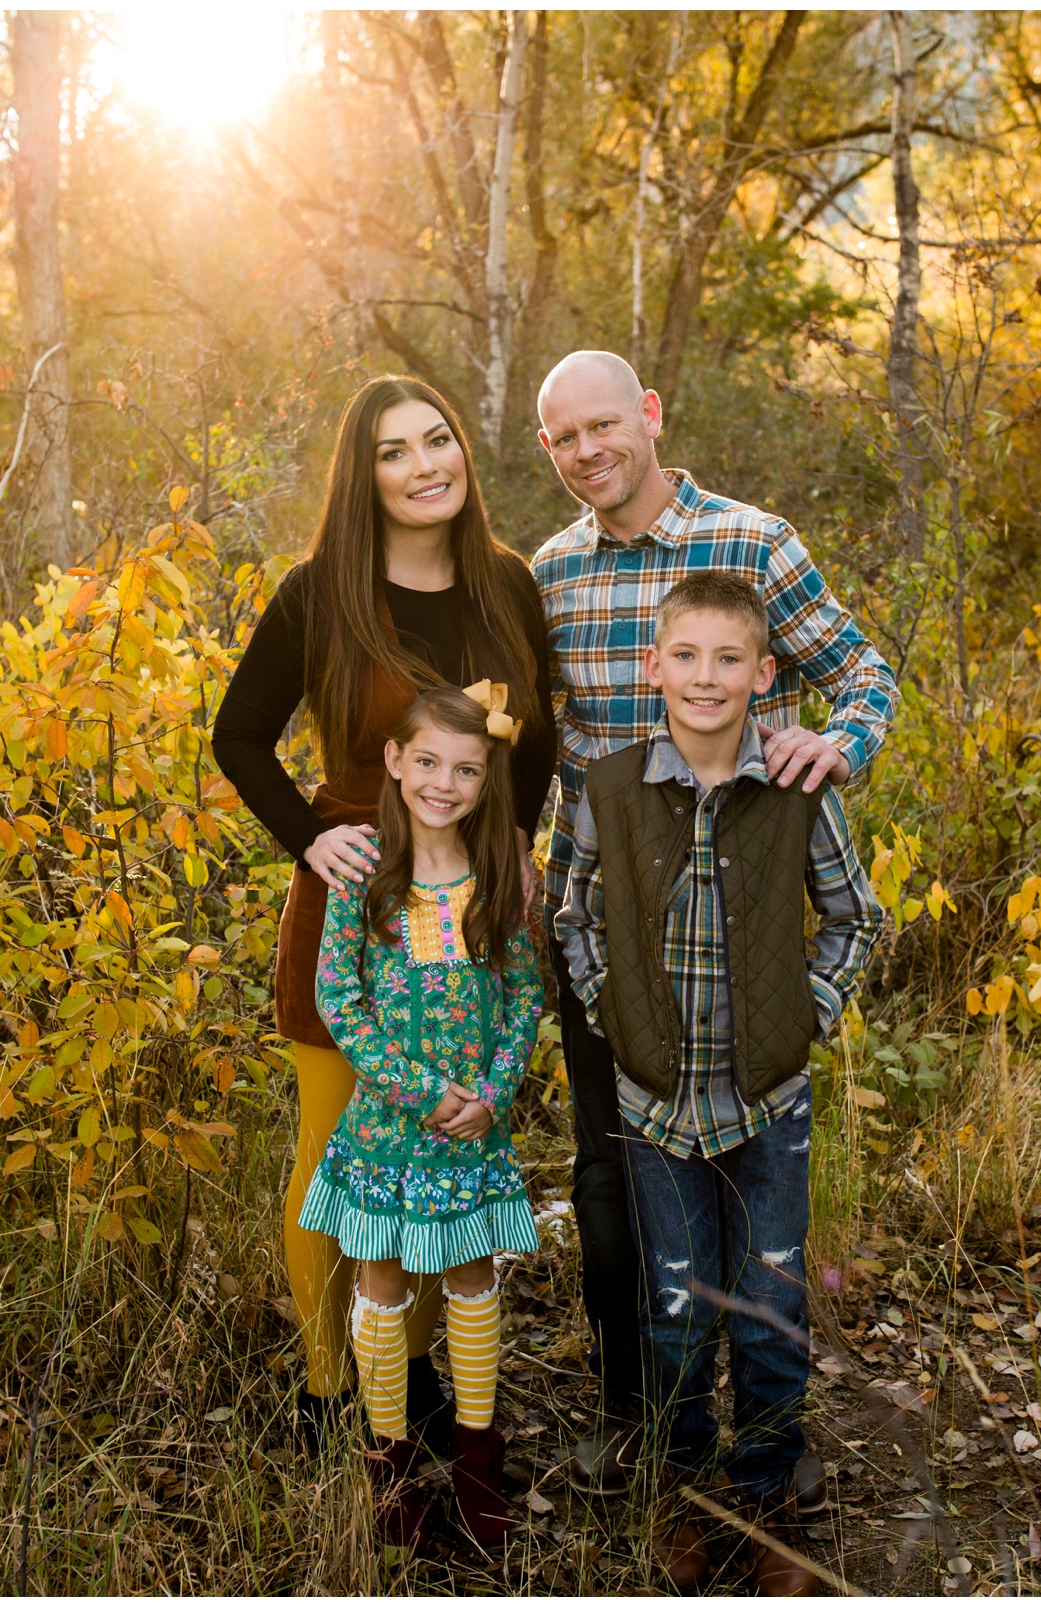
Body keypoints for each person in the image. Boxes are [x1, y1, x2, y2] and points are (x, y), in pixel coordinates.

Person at [530, 350, 897, 1498]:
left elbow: (863, 670)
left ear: (648, 413)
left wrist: (839, 744)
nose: (588, 452)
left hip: (745, 937)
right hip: (608, 921)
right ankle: (642, 1418)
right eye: (563, 439)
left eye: (604, 426)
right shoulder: (550, 572)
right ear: (548, 452)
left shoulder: (753, 541)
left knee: (756, 1209)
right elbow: (524, 735)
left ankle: (767, 1447)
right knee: (610, 1181)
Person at [211, 376, 556, 1454]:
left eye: (438, 441)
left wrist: (518, 845)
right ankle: (329, 1390)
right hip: (356, 904)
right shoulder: (321, 591)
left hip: (474, 908)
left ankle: (413, 1384)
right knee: (339, 1156)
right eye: (394, 452)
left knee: (445, 1138)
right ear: (364, 476)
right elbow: (239, 736)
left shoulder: (506, 581)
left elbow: (534, 743)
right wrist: (310, 837)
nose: (424, 466)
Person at [556, 572, 882, 1594]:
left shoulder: (796, 791)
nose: (705, 677)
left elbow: (855, 918)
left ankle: (771, 1479)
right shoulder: (607, 789)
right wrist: (617, 1015)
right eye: (685, 656)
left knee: (770, 1295)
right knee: (676, 1307)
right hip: (655, 1104)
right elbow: (570, 916)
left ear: (764, 674)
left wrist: (809, 1016)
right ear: (651, 666)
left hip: (767, 1099)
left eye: (728, 658)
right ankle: (687, 1485)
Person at [300, 687, 544, 1552]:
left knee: (472, 1277)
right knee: (383, 1281)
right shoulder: (365, 869)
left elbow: (523, 993)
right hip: (386, 1128)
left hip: (473, 1129)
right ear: (398, 762)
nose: (446, 782)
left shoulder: (497, 871)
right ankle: (390, 1464)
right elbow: (339, 996)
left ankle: (477, 1461)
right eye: (429, 761)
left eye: (467, 769)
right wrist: (419, 1091)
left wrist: (492, 1091)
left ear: (488, 779)